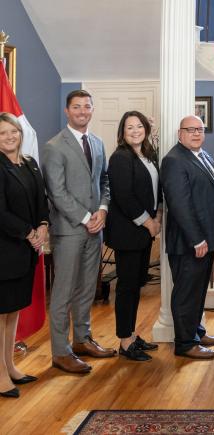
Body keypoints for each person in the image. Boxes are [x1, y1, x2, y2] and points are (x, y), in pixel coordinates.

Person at [42, 90, 114, 374]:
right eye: (76, 107)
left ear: (93, 110)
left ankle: (82, 340)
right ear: (67, 111)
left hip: (95, 228)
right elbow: (56, 192)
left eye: (87, 106)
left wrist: (104, 210)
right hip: (69, 231)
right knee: (64, 292)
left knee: (87, 289)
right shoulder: (54, 146)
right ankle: (61, 351)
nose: (82, 111)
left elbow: (104, 180)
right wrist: (86, 218)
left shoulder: (96, 143)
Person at [161, 115, 214, 359]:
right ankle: (185, 343)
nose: (197, 133)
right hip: (189, 243)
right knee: (186, 293)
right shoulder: (174, 160)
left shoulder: (203, 155)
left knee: (197, 291)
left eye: (200, 129)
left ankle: (196, 332)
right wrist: (197, 239)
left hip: (204, 240)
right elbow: (180, 205)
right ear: (180, 134)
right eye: (191, 130)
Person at [104, 111, 162, 362]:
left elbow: (154, 190)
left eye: (139, 126)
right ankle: (125, 342)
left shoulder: (148, 155)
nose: (136, 131)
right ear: (122, 133)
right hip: (128, 233)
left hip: (143, 233)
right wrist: (149, 222)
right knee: (127, 288)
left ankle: (132, 333)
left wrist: (157, 216)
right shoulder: (120, 158)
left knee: (137, 285)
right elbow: (124, 196)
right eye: (130, 128)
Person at [0, 113, 48, 398]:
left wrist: (42, 225)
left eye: (13, 131)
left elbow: (41, 200)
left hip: (25, 252)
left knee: (13, 311)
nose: (9, 137)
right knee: (0, 313)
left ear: (20, 133)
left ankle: (10, 365)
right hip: (5, 251)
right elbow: (0, 213)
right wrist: (30, 233)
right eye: (2, 133)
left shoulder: (29, 163)